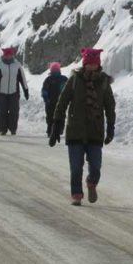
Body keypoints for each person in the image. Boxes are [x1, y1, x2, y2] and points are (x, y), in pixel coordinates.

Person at [49, 48, 116, 206]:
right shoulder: (74, 80)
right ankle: (76, 194)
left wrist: (111, 126)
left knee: (96, 167)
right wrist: (56, 125)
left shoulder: (104, 82)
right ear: (84, 64)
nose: (91, 66)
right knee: (76, 167)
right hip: (75, 131)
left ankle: (91, 183)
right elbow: (62, 102)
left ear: (98, 64)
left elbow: (110, 106)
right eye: (89, 63)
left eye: (94, 64)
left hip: (95, 131)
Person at [0, 47, 29, 135]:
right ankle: (2, 129)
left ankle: (13, 129)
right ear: (4, 55)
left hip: (14, 92)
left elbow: (22, 78)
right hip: (0, 92)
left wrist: (26, 90)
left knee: (14, 111)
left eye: (9, 55)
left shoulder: (17, 65)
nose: (8, 56)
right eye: (6, 55)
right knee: (1, 111)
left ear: (12, 55)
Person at [41, 62, 68, 136]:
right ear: (51, 70)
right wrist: (46, 98)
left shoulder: (64, 79)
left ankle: (59, 129)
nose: (55, 71)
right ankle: (50, 130)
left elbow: (68, 90)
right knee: (50, 116)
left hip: (61, 102)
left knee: (61, 116)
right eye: (54, 69)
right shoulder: (48, 79)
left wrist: (68, 98)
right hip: (50, 102)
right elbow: (44, 90)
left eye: (56, 69)